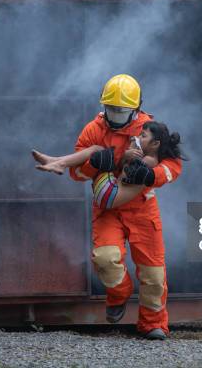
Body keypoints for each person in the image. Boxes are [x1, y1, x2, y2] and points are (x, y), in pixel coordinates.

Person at [34, 74, 183, 340]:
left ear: (135, 109)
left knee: (153, 273)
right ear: (103, 106)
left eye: (121, 110)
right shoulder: (93, 129)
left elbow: (173, 166)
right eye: (110, 108)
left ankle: (153, 324)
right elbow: (77, 175)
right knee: (105, 259)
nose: (114, 114)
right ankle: (119, 293)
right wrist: (95, 164)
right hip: (108, 208)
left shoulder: (150, 129)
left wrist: (153, 176)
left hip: (142, 208)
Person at [32, 121, 185, 209]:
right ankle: (56, 161)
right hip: (108, 194)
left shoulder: (149, 162)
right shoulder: (146, 154)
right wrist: (125, 155)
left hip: (109, 195)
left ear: (155, 144)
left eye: (143, 136)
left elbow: (126, 177)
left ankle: (59, 162)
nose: (138, 137)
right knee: (97, 151)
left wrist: (126, 156)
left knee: (97, 150)